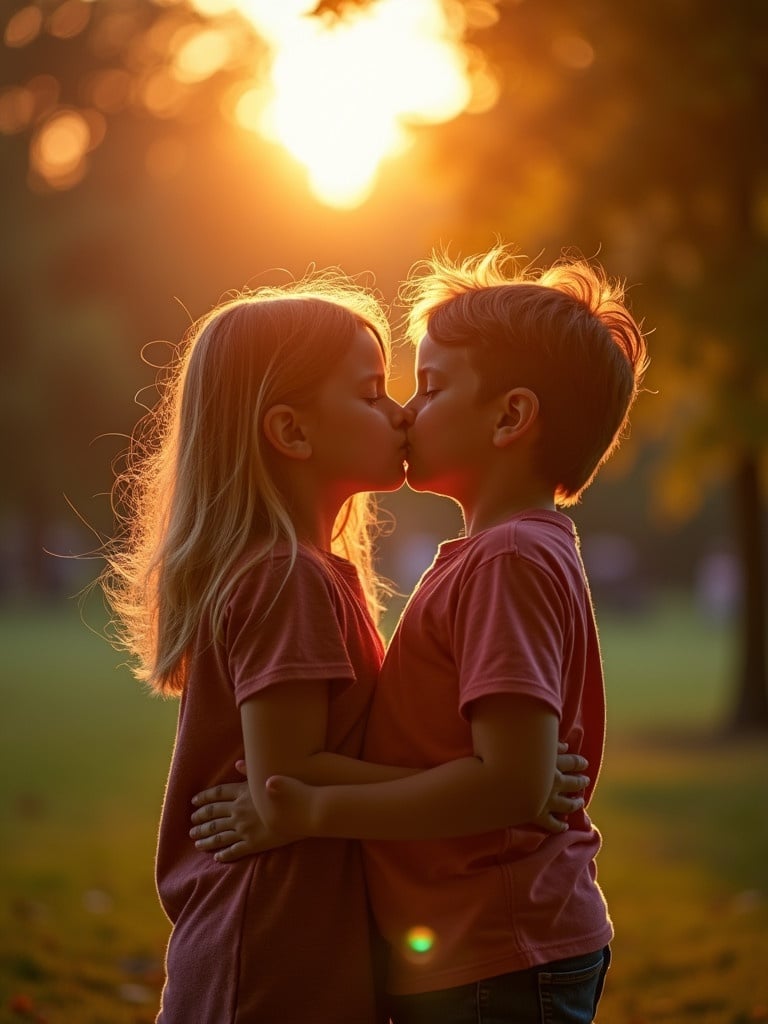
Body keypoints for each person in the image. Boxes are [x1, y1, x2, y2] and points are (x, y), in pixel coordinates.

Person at [100, 270, 587, 1024]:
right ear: (292, 431)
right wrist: (490, 781)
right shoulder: (285, 579)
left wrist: (501, 778)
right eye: (370, 394)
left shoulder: (314, 573)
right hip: (265, 943)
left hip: (306, 935)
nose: (398, 413)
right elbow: (287, 780)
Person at [199, 245, 649, 1023]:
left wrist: (312, 811)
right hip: (472, 947)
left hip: (499, 949)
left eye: (430, 387)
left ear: (511, 417)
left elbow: (509, 782)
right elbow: (496, 772)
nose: (407, 410)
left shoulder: (508, 557)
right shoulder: (496, 555)